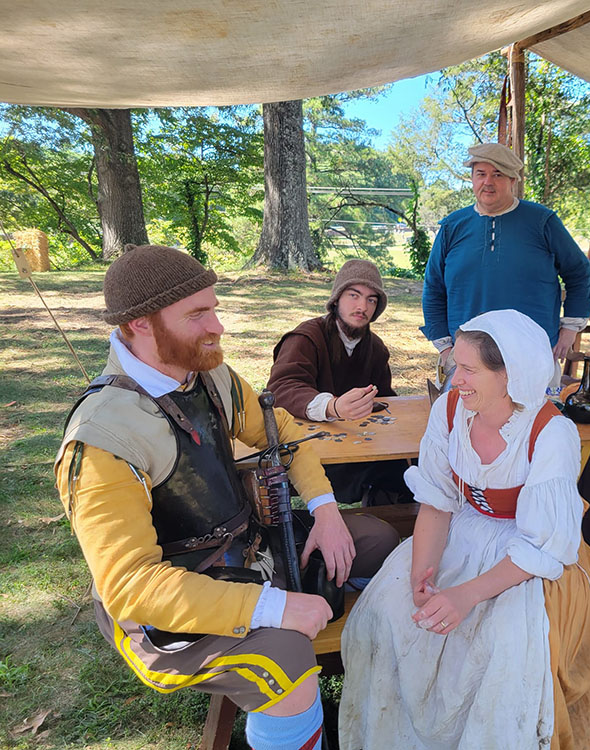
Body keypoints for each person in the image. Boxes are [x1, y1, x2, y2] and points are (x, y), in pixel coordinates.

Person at [55, 245, 399, 750]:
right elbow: (130, 587)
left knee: (376, 536)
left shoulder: (209, 375)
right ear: (141, 324)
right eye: (198, 314)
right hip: (166, 614)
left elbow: (282, 431)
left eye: (213, 307)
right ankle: (296, 725)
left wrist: (326, 512)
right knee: (283, 655)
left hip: (249, 549)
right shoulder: (102, 436)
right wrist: (273, 607)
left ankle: (362, 668)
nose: (218, 326)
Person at [338, 309, 590, 750]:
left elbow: (544, 545)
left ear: (510, 375)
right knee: (390, 610)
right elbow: (438, 503)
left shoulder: (550, 432)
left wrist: (465, 594)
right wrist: (421, 574)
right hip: (460, 532)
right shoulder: (449, 410)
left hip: (527, 556)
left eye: (468, 369)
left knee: (501, 646)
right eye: (454, 365)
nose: (454, 378)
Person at [420, 143, 590, 386]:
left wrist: (570, 329)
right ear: (472, 179)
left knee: (534, 423)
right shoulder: (453, 227)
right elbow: (433, 288)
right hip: (467, 359)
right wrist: (444, 346)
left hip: (531, 356)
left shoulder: (542, 222)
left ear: (513, 180)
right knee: (463, 422)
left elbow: (580, 274)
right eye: (481, 174)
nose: (488, 182)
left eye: (498, 174)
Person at [268, 258, 412, 505]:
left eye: (371, 300)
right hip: (306, 448)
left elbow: (385, 398)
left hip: (357, 444)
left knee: (411, 466)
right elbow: (281, 388)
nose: (362, 306)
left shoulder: (375, 348)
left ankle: (390, 515)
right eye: (354, 295)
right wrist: (332, 406)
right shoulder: (306, 338)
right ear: (336, 300)